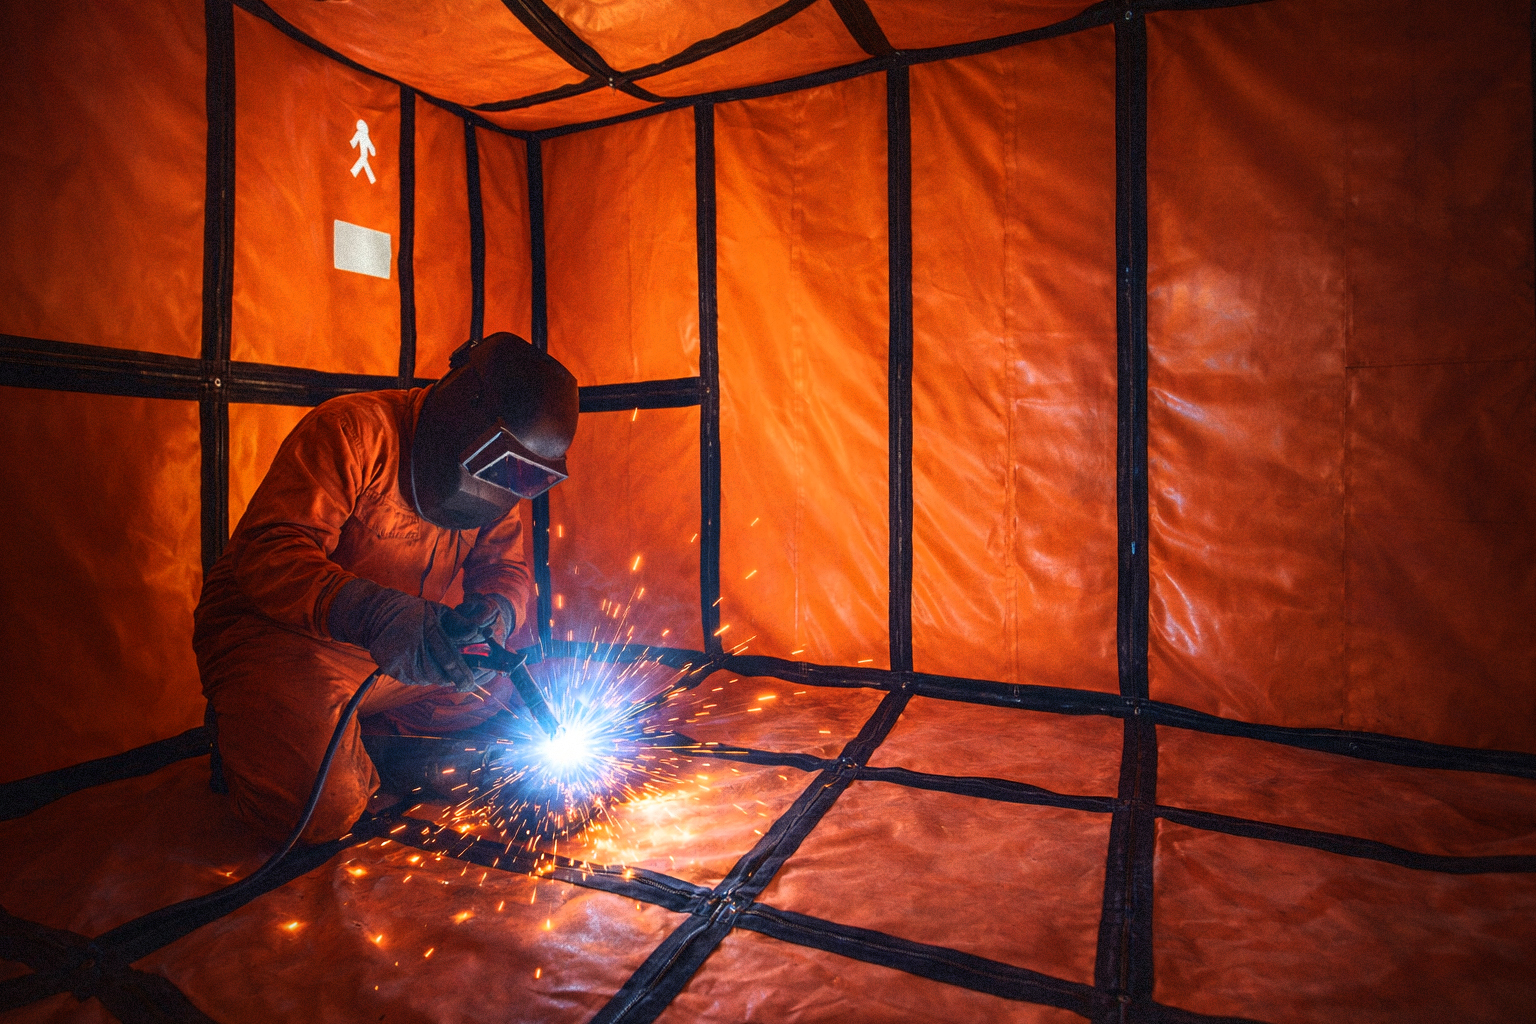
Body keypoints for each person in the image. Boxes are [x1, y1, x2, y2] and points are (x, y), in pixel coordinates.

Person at [193, 332, 578, 843]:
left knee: (504, 685)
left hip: (396, 649)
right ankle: (251, 728)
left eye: (523, 475)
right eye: (500, 462)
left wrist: (495, 615)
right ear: (465, 411)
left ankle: (365, 742)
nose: (505, 485)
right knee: (317, 815)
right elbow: (270, 551)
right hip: (278, 639)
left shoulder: (503, 483)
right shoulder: (353, 431)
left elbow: (504, 570)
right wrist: (376, 615)